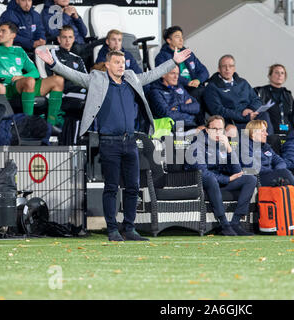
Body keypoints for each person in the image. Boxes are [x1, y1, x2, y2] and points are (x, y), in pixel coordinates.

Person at [36, 44, 192, 241]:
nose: (121, 66)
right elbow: (74, 75)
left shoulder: (131, 78)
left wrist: (173, 62)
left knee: (133, 187)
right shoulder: (96, 79)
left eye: (123, 62)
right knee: (111, 187)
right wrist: (54, 63)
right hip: (109, 142)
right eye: (117, 63)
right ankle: (112, 229)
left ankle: (129, 228)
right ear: (108, 65)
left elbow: (152, 74)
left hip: (131, 142)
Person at [185, 115, 257, 236]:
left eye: (221, 129)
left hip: (219, 182)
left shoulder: (222, 144)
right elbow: (202, 172)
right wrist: (227, 179)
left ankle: (235, 222)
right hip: (200, 183)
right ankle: (224, 224)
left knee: (250, 179)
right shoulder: (198, 145)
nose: (218, 132)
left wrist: (229, 149)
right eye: (215, 129)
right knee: (211, 178)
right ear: (207, 130)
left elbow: (237, 171)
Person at [0, 22, 64, 127]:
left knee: (58, 80)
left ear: (13, 35)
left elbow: (35, 72)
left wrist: (22, 77)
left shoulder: (19, 50)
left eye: (3, 31)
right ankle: (27, 124)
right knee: (29, 81)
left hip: (23, 84)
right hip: (7, 86)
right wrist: (12, 77)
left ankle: (50, 125)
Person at [242, 120, 294, 211]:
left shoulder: (265, 147)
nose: (266, 134)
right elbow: (251, 167)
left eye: (266, 131)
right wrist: (274, 172)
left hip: (269, 175)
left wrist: (277, 171)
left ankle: (290, 215)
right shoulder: (245, 146)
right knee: (284, 174)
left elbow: (280, 161)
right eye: (263, 131)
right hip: (256, 178)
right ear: (253, 132)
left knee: (284, 179)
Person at [204, 54, 271, 134]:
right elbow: (218, 110)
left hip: (249, 116)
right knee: (234, 129)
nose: (227, 69)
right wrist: (243, 117)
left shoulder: (243, 82)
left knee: (264, 115)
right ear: (219, 69)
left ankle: (267, 143)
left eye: (230, 66)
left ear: (234, 69)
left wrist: (250, 109)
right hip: (231, 120)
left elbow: (256, 100)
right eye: (224, 66)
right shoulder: (212, 87)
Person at [155, 26, 209, 95]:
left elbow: (203, 70)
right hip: (177, 89)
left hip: (194, 87)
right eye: (177, 37)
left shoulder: (188, 53)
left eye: (182, 37)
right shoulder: (161, 57)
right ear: (169, 40)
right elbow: (168, 76)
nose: (181, 40)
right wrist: (187, 82)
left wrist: (198, 80)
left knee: (211, 90)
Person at [254, 64, 294, 134]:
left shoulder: (288, 95)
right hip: (269, 134)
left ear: (285, 77)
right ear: (269, 76)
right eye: (276, 72)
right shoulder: (260, 92)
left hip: (288, 134)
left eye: (282, 73)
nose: (280, 75)